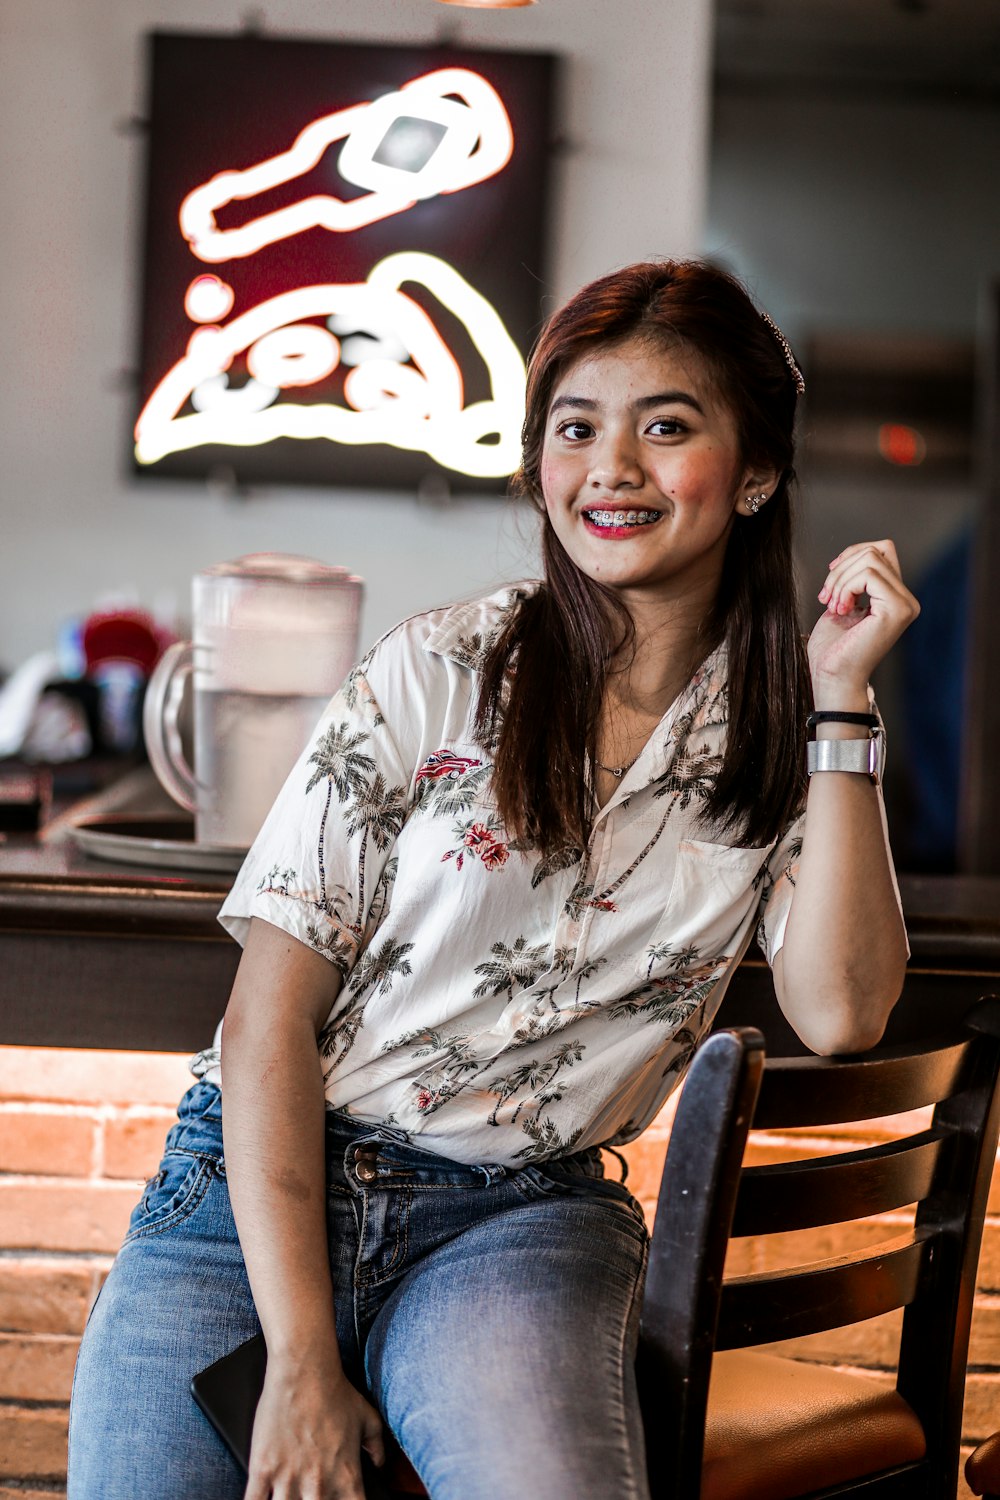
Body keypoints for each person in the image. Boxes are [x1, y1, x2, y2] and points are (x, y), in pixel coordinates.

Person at [68, 260, 918, 1500]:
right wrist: (302, 1361)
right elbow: (266, 1018)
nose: (609, 469)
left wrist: (842, 702)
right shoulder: (442, 668)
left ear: (755, 473)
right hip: (248, 1197)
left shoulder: (782, 733)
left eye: (664, 427)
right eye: (575, 429)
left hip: (518, 1222)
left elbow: (842, 1014)